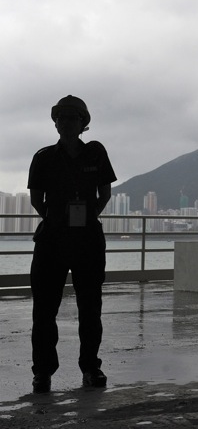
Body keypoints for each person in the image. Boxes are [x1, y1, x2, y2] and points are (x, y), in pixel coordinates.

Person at [28, 95, 117, 394]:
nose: (65, 122)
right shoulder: (43, 157)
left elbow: (104, 195)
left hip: (88, 241)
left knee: (90, 308)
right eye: (60, 117)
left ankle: (91, 366)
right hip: (51, 240)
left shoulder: (96, 152)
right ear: (55, 123)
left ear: (83, 123)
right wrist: (57, 221)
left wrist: (85, 218)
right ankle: (42, 372)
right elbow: (35, 200)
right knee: (43, 310)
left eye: (71, 117)